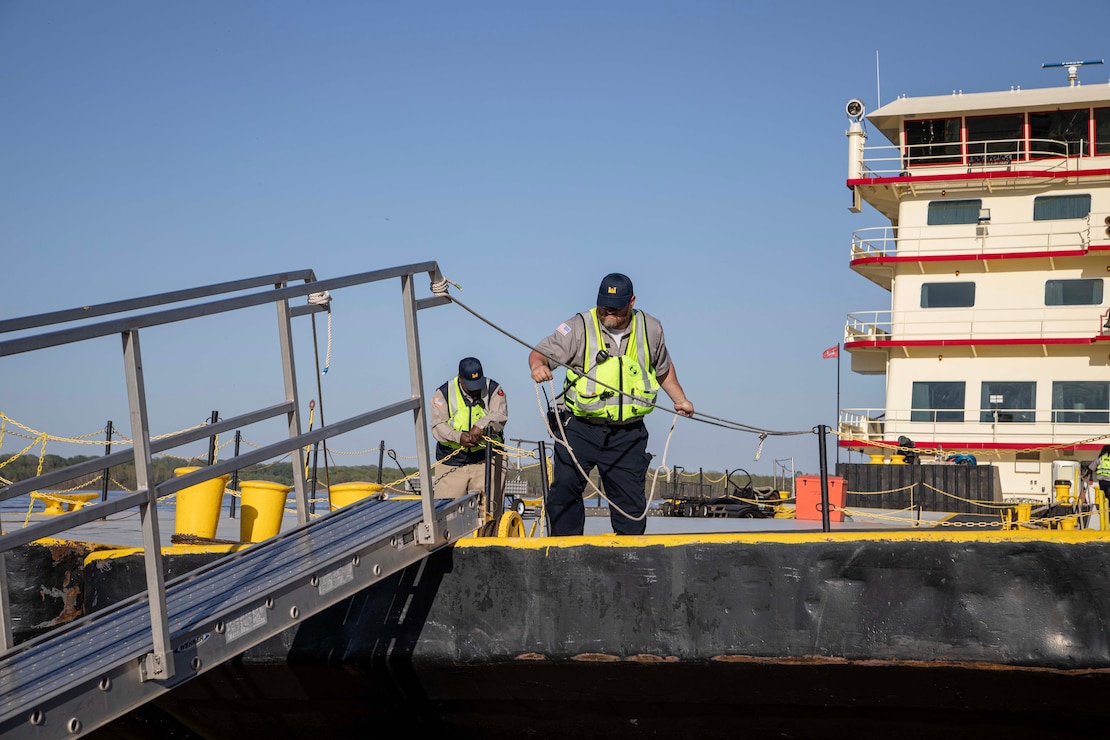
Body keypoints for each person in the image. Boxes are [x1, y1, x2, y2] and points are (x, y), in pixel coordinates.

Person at [528, 272, 694, 535]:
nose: (609, 313)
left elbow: (663, 368)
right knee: (564, 491)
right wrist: (538, 367)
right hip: (581, 428)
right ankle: (565, 555)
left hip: (627, 434)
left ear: (632, 301)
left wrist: (680, 400)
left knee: (631, 505)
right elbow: (539, 354)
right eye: (604, 306)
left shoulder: (651, 328)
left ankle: (628, 564)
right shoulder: (578, 326)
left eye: (615, 309)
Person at [430, 357, 508, 503]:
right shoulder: (443, 393)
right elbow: (438, 425)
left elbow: (500, 415)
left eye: (477, 383)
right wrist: (458, 437)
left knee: (489, 515)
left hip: (487, 460)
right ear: (460, 379)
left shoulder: (494, 389)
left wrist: (480, 426)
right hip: (451, 462)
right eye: (470, 384)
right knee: (446, 514)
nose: (475, 389)